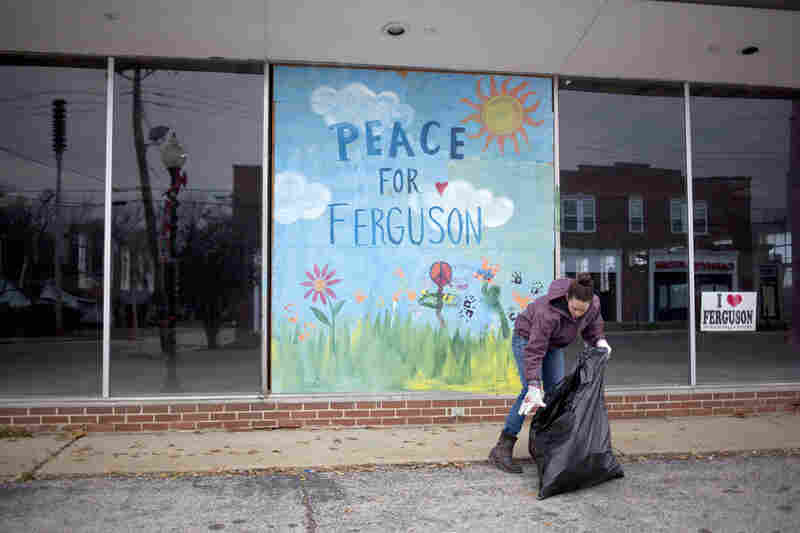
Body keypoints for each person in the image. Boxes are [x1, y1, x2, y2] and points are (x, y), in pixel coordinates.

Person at [489, 273, 612, 473]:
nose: (577, 315)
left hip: (554, 344)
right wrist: (534, 384)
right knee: (529, 393)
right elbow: (535, 350)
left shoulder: (592, 305)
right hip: (527, 339)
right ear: (567, 298)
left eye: (582, 310)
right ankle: (502, 446)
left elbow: (593, 323)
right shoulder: (548, 312)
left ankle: (550, 445)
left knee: (556, 391)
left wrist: (599, 340)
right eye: (574, 309)